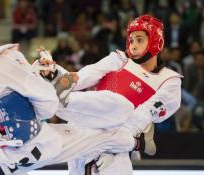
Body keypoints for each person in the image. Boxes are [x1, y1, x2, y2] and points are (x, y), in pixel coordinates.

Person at [0, 1, 150, 175]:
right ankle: (136, 142)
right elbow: (49, 104)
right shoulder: (7, 58)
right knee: (101, 134)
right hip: (32, 149)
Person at [34, 15, 182, 174]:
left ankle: (54, 96)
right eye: (131, 40)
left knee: (121, 107)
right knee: (109, 103)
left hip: (118, 129)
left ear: (156, 41)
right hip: (87, 122)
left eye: (139, 40)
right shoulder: (119, 59)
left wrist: (112, 144)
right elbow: (85, 75)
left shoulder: (169, 80)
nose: (133, 45)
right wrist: (58, 75)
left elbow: (144, 115)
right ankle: (52, 87)